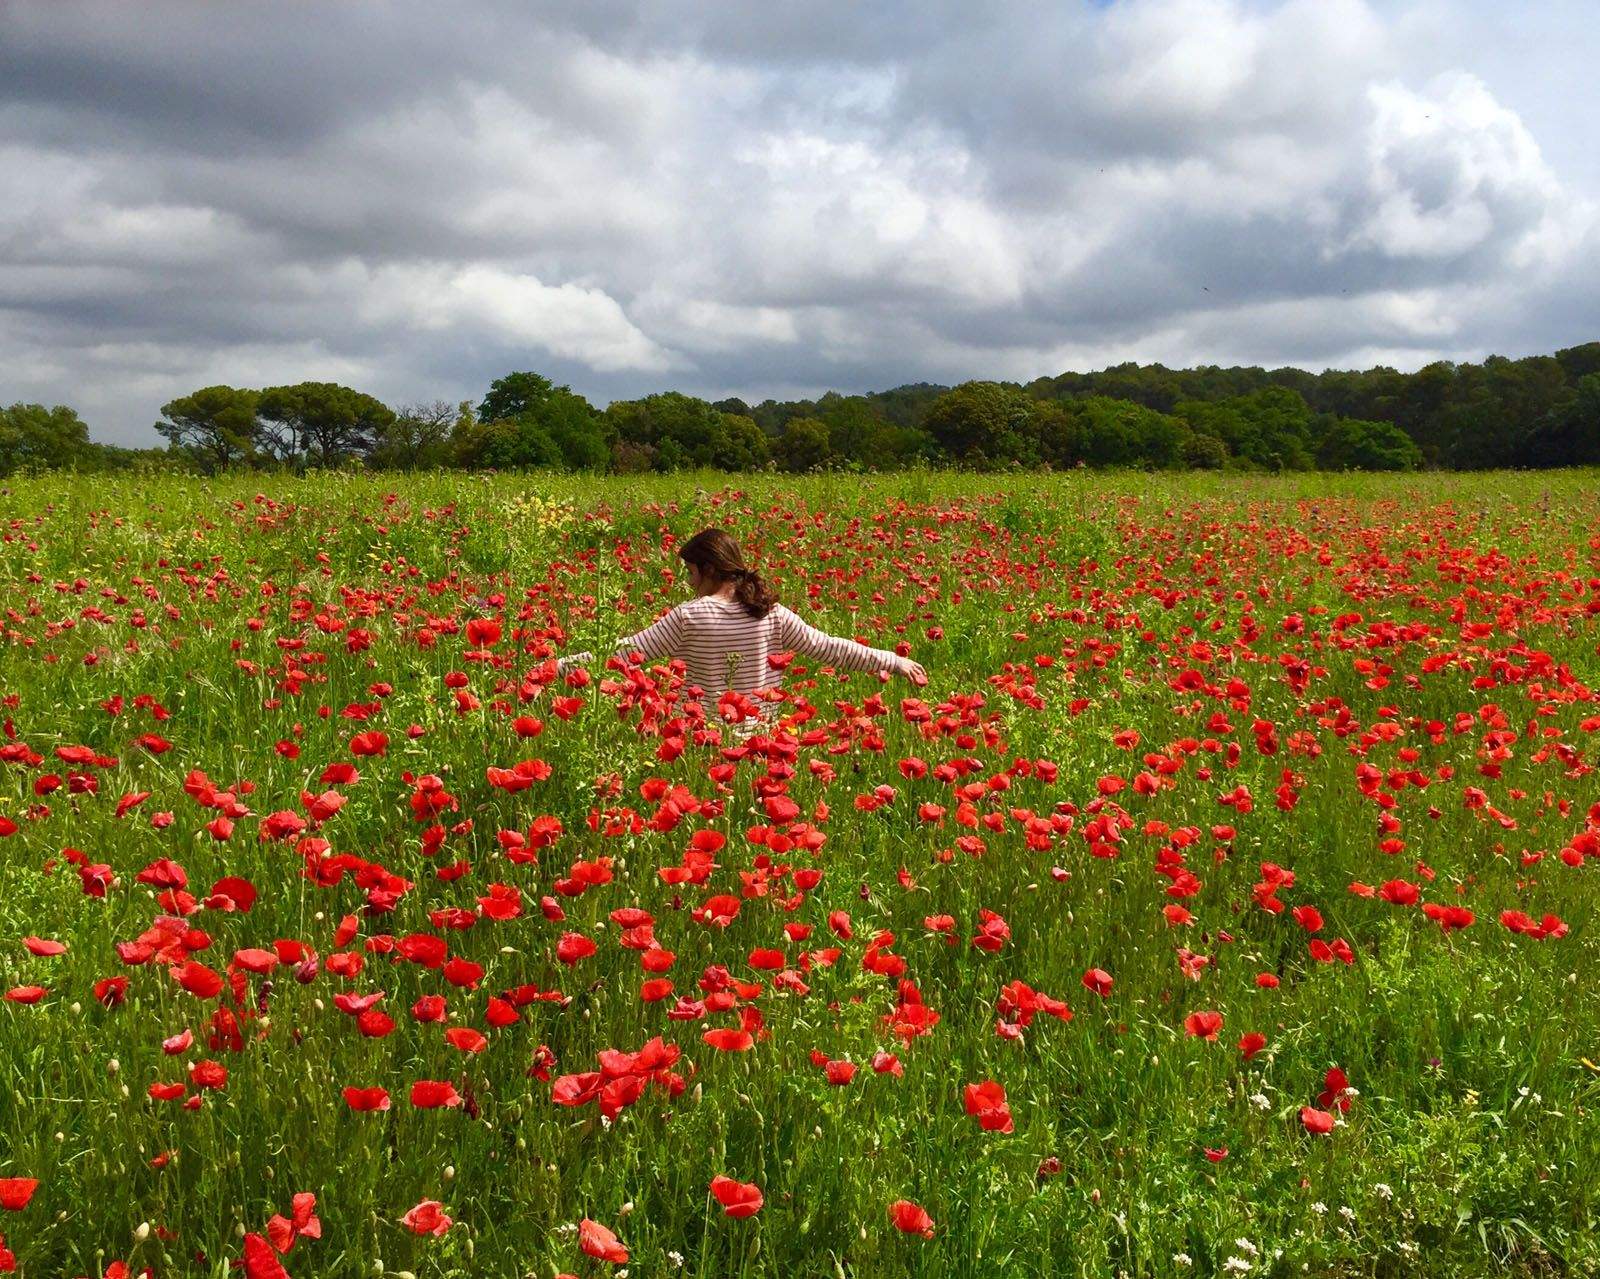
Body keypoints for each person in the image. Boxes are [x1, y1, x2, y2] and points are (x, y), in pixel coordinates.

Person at [555, 528, 927, 728]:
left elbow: (620, 655)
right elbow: (830, 648)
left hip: (701, 743)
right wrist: (891, 660)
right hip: (761, 749)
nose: (688, 581)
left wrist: (555, 668)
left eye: (690, 572)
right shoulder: (772, 613)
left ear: (708, 570)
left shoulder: (689, 616)